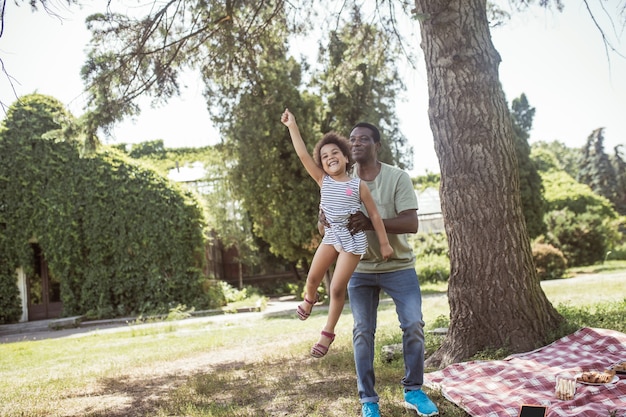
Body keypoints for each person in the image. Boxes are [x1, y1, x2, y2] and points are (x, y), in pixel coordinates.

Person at [280, 108, 393, 358]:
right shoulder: (323, 180)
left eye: (335, 153)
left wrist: (384, 244)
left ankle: (328, 332)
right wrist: (293, 127)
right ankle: (310, 299)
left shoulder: (357, 185)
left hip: (352, 241)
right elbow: (301, 154)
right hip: (332, 236)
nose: (330, 157)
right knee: (312, 279)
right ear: (321, 164)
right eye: (324, 156)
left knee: (337, 289)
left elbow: (374, 215)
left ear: (345, 157)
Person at [344, 122, 439, 417]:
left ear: (377, 145)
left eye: (363, 139)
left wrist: (370, 222)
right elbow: (329, 226)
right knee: (362, 332)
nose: (356, 143)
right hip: (359, 270)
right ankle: (368, 402)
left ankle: (413, 390)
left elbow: (411, 223)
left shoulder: (397, 177)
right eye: (352, 139)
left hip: (399, 266)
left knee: (413, 325)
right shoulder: (342, 182)